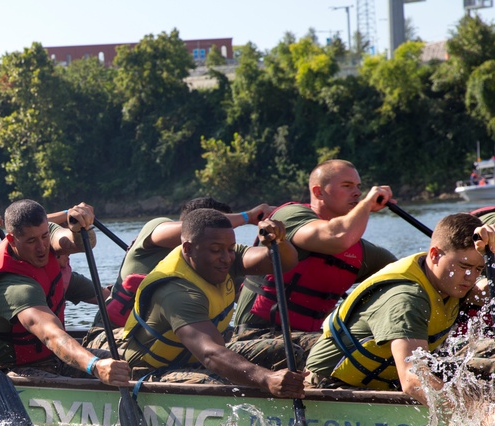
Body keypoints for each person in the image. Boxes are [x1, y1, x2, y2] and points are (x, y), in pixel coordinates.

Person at [305, 213, 495, 405]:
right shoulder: (406, 299)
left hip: (385, 380)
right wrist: (480, 415)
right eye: (465, 266)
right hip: (332, 384)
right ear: (435, 254)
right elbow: (413, 381)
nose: (471, 277)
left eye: (478, 269)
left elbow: (485, 287)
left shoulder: (451, 282)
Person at [116, 208, 306, 398]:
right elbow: (211, 354)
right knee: (220, 383)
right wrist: (266, 379)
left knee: (289, 352)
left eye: (231, 249)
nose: (226, 258)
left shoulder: (226, 258)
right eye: (216, 250)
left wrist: (278, 241)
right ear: (188, 248)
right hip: (154, 370)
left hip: (197, 358)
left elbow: (284, 262)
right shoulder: (176, 292)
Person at [0, 199, 130, 386]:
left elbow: (81, 243)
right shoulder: (13, 288)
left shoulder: (47, 244)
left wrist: (79, 227)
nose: (42, 248)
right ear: (11, 240)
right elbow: (51, 335)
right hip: (11, 371)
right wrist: (95, 366)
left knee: (127, 363)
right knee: (90, 375)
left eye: (44, 237)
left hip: (53, 359)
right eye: (31, 241)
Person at [232, 160, 396, 349]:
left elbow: (408, 274)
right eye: (347, 186)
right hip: (257, 337)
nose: (358, 193)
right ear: (318, 192)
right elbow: (336, 236)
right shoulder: (289, 216)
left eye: (359, 187)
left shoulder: (361, 251)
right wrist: (367, 204)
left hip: (309, 338)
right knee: (350, 348)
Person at [102, 198, 273, 329]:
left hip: (181, 340)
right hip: (117, 337)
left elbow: (250, 297)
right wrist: (247, 217)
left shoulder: (217, 265)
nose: (223, 250)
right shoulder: (156, 229)